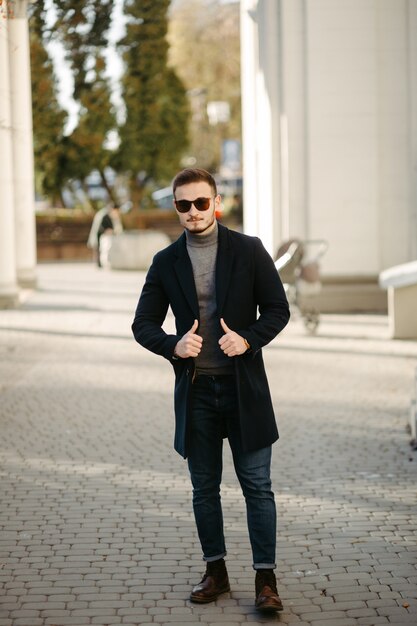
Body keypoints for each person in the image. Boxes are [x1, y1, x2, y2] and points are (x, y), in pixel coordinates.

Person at [132, 168, 290, 612]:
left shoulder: (249, 250)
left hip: (244, 391)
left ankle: (266, 580)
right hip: (197, 392)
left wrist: (248, 339)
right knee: (204, 488)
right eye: (184, 204)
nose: (194, 212)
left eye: (202, 203)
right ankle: (216, 571)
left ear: (216, 203)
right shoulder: (166, 261)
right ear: (176, 208)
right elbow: (142, 324)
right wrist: (173, 345)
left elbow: (278, 309)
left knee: (258, 487)